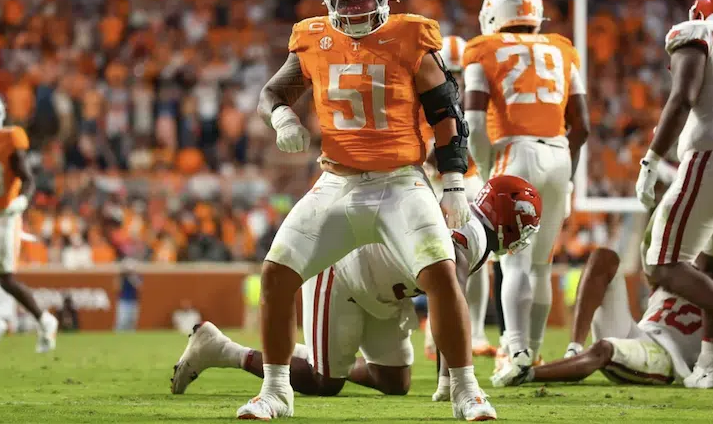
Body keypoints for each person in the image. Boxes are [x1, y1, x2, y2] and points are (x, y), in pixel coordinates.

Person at [239, 0, 474, 420]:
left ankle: (467, 390)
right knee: (276, 273)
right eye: (345, 3)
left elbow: (446, 112)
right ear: (328, 3)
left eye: (364, 0)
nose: (355, 11)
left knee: (441, 272)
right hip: (338, 181)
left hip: (400, 181)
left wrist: (453, 180)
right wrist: (282, 117)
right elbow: (272, 93)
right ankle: (275, 391)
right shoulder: (313, 37)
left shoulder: (410, 35)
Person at [171, 175, 541, 421]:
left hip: (383, 290)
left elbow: (448, 299)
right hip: (344, 274)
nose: (523, 236)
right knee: (324, 381)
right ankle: (221, 349)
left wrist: (447, 376)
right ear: (508, 219)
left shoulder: (470, 227)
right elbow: (449, 296)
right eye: (524, 225)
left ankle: (329, 356)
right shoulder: (471, 237)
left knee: (395, 381)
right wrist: (450, 379)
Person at [462, 0, 590, 381]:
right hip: (559, 154)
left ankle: (515, 350)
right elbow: (582, 126)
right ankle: (532, 355)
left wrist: (488, 169)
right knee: (541, 263)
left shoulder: (482, 49)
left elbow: (474, 122)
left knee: (513, 260)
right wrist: (569, 177)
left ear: (492, 16)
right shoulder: (562, 48)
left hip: (514, 152)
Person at [634, 0, 713, 388]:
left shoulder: (697, 32)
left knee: (663, 262)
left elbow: (682, 98)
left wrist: (651, 159)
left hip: (708, 155)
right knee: (708, 263)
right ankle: (709, 365)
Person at [491, 247, 709, 387]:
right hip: (641, 331)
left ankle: (526, 374)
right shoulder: (678, 268)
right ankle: (574, 349)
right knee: (604, 257)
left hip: (668, 358)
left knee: (604, 349)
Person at [0, 89, 58, 356]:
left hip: (4, 217)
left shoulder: (10, 139)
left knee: (5, 279)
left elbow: (28, 178)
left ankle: (45, 320)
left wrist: (21, 201)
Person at [424, 35, 496, 360]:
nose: (454, 79)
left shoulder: (477, 103)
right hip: (430, 183)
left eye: (458, 72)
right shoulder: (422, 96)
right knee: (433, 258)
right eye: (449, 72)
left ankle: (475, 332)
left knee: (479, 258)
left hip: (469, 182)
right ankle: (433, 333)